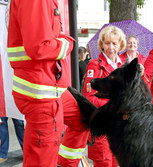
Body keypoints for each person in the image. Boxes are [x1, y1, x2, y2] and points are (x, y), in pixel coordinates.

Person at [7, 1, 90, 166]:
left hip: (49, 88)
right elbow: (38, 47)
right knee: (42, 160)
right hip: (41, 94)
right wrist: (68, 43)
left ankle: (64, 163)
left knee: (85, 118)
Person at [82, 25, 126, 167]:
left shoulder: (124, 66)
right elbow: (89, 98)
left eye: (114, 43)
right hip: (103, 128)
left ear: (120, 45)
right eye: (107, 43)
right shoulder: (95, 65)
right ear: (101, 44)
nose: (111, 47)